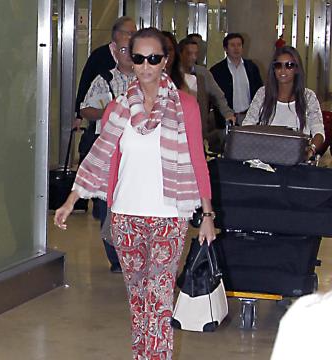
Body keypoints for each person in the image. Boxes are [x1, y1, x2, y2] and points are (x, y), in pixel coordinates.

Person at [55, 28, 216, 360]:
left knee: (158, 303)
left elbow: (198, 160)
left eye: (153, 58)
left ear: (165, 61)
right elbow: (99, 155)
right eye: (138, 57)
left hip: (168, 219)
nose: (145, 66)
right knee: (140, 303)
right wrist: (72, 199)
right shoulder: (118, 107)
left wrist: (208, 215)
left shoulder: (184, 106)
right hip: (126, 217)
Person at [79, 25, 136, 273]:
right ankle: (115, 256)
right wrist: (110, 111)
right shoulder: (105, 79)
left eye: (131, 48)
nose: (127, 53)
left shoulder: (146, 77)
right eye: (123, 48)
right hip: (111, 149)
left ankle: (133, 250)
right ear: (114, 50)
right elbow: (84, 109)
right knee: (108, 203)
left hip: (137, 152)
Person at [74, 16, 137, 171]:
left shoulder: (145, 79)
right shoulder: (103, 75)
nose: (128, 54)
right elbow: (85, 88)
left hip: (134, 146)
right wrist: (80, 115)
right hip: (106, 142)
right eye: (129, 33)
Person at [243, 46, 325, 157]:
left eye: (289, 65)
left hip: (296, 158)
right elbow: (247, 125)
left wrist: (311, 150)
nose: (283, 70)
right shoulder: (263, 94)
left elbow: (319, 131)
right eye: (278, 65)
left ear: (296, 69)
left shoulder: (308, 97)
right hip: (265, 157)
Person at [178, 37, 235, 151]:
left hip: (198, 127)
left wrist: (228, 114)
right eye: (189, 53)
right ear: (180, 54)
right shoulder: (173, 74)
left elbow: (218, 96)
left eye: (196, 53)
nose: (193, 57)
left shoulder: (203, 74)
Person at [210, 33, 263, 125]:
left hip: (249, 117)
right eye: (232, 45)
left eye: (239, 45)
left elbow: (260, 91)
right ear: (225, 48)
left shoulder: (251, 67)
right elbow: (214, 97)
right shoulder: (217, 70)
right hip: (227, 119)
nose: (236, 48)